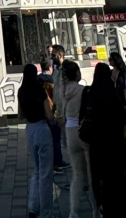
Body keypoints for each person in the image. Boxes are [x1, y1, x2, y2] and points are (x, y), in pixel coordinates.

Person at [80, 61, 126, 218]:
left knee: (99, 177)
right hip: (115, 142)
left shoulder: (89, 93)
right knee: (116, 176)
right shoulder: (113, 93)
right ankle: (120, 206)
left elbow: (82, 116)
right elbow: (122, 116)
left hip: (97, 143)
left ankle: (102, 206)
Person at [59, 59, 97, 218]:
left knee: (77, 175)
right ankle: (96, 210)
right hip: (83, 132)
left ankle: (73, 211)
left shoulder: (61, 91)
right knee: (91, 175)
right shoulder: (84, 90)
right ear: (76, 73)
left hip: (69, 131)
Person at [17, 63, 54, 218]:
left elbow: (20, 115)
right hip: (42, 128)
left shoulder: (21, 91)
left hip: (30, 129)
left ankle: (33, 207)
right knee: (46, 173)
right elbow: (49, 114)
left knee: (37, 171)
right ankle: (46, 212)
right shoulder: (40, 90)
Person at [49, 44, 69, 172]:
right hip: (58, 110)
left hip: (67, 111)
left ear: (61, 55)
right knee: (61, 140)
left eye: (54, 54)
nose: (52, 57)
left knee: (68, 141)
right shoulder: (56, 70)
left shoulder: (67, 69)